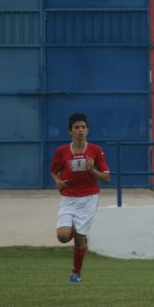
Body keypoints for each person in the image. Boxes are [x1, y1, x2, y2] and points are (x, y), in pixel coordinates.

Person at [51, 113, 110, 282]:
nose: (80, 130)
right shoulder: (62, 151)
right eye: (76, 127)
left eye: (83, 127)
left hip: (88, 197)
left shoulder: (95, 151)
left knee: (79, 239)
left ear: (88, 130)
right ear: (70, 131)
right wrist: (58, 181)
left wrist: (92, 170)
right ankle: (76, 230)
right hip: (68, 197)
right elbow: (54, 171)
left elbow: (106, 179)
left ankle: (76, 273)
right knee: (62, 236)